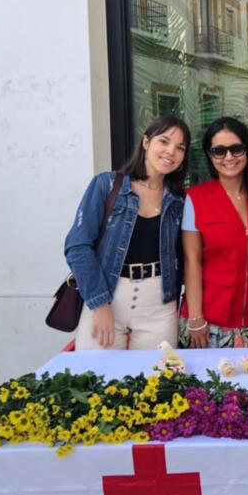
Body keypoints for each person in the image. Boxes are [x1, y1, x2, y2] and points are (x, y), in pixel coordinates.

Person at [65, 115, 190, 350]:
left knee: (157, 382)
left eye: (180, 147)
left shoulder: (178, 201)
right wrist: (100, 304)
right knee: (99, 379)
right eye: (163, 142)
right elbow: (77, 247)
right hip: (108, 296)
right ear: (146, 143)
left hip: (159, 306)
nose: (171, 151)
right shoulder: (107, 185)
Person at [181, 117, 248, 348]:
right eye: (219, 151)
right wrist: (196, 318)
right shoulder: (195, 198)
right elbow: (191, 260)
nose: (228, 157)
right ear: (209, 155)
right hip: (209, 323)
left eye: (236, 149)